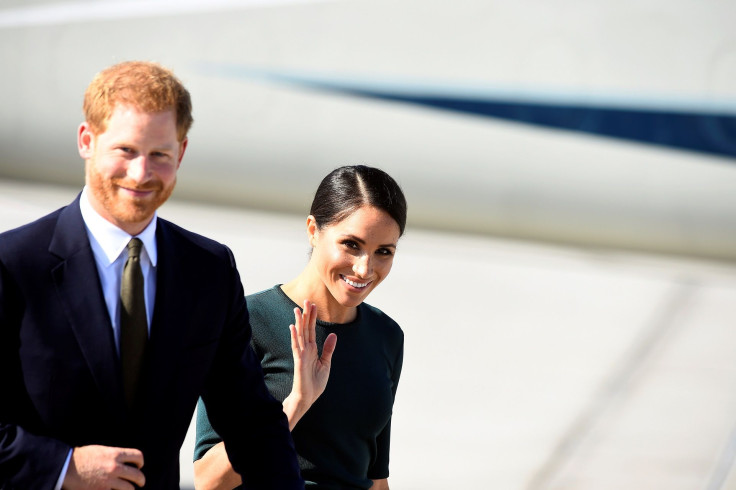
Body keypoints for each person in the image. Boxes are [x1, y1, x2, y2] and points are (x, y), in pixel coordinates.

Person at [0, 61, 303, 489]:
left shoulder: (210, 271)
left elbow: (251, 422)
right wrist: (64, 466)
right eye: (125, 150)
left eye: (159, 155)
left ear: (181, 152)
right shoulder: (13, 265)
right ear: (87, 141)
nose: (141, 174)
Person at [194, 165, 407, 490]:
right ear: (313, 230)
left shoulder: (386, 336)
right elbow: (208, 481)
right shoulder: (246, 322)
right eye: (351, 244)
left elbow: (376, 478)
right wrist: (296, 404)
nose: (365, 268)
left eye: (383, 252)